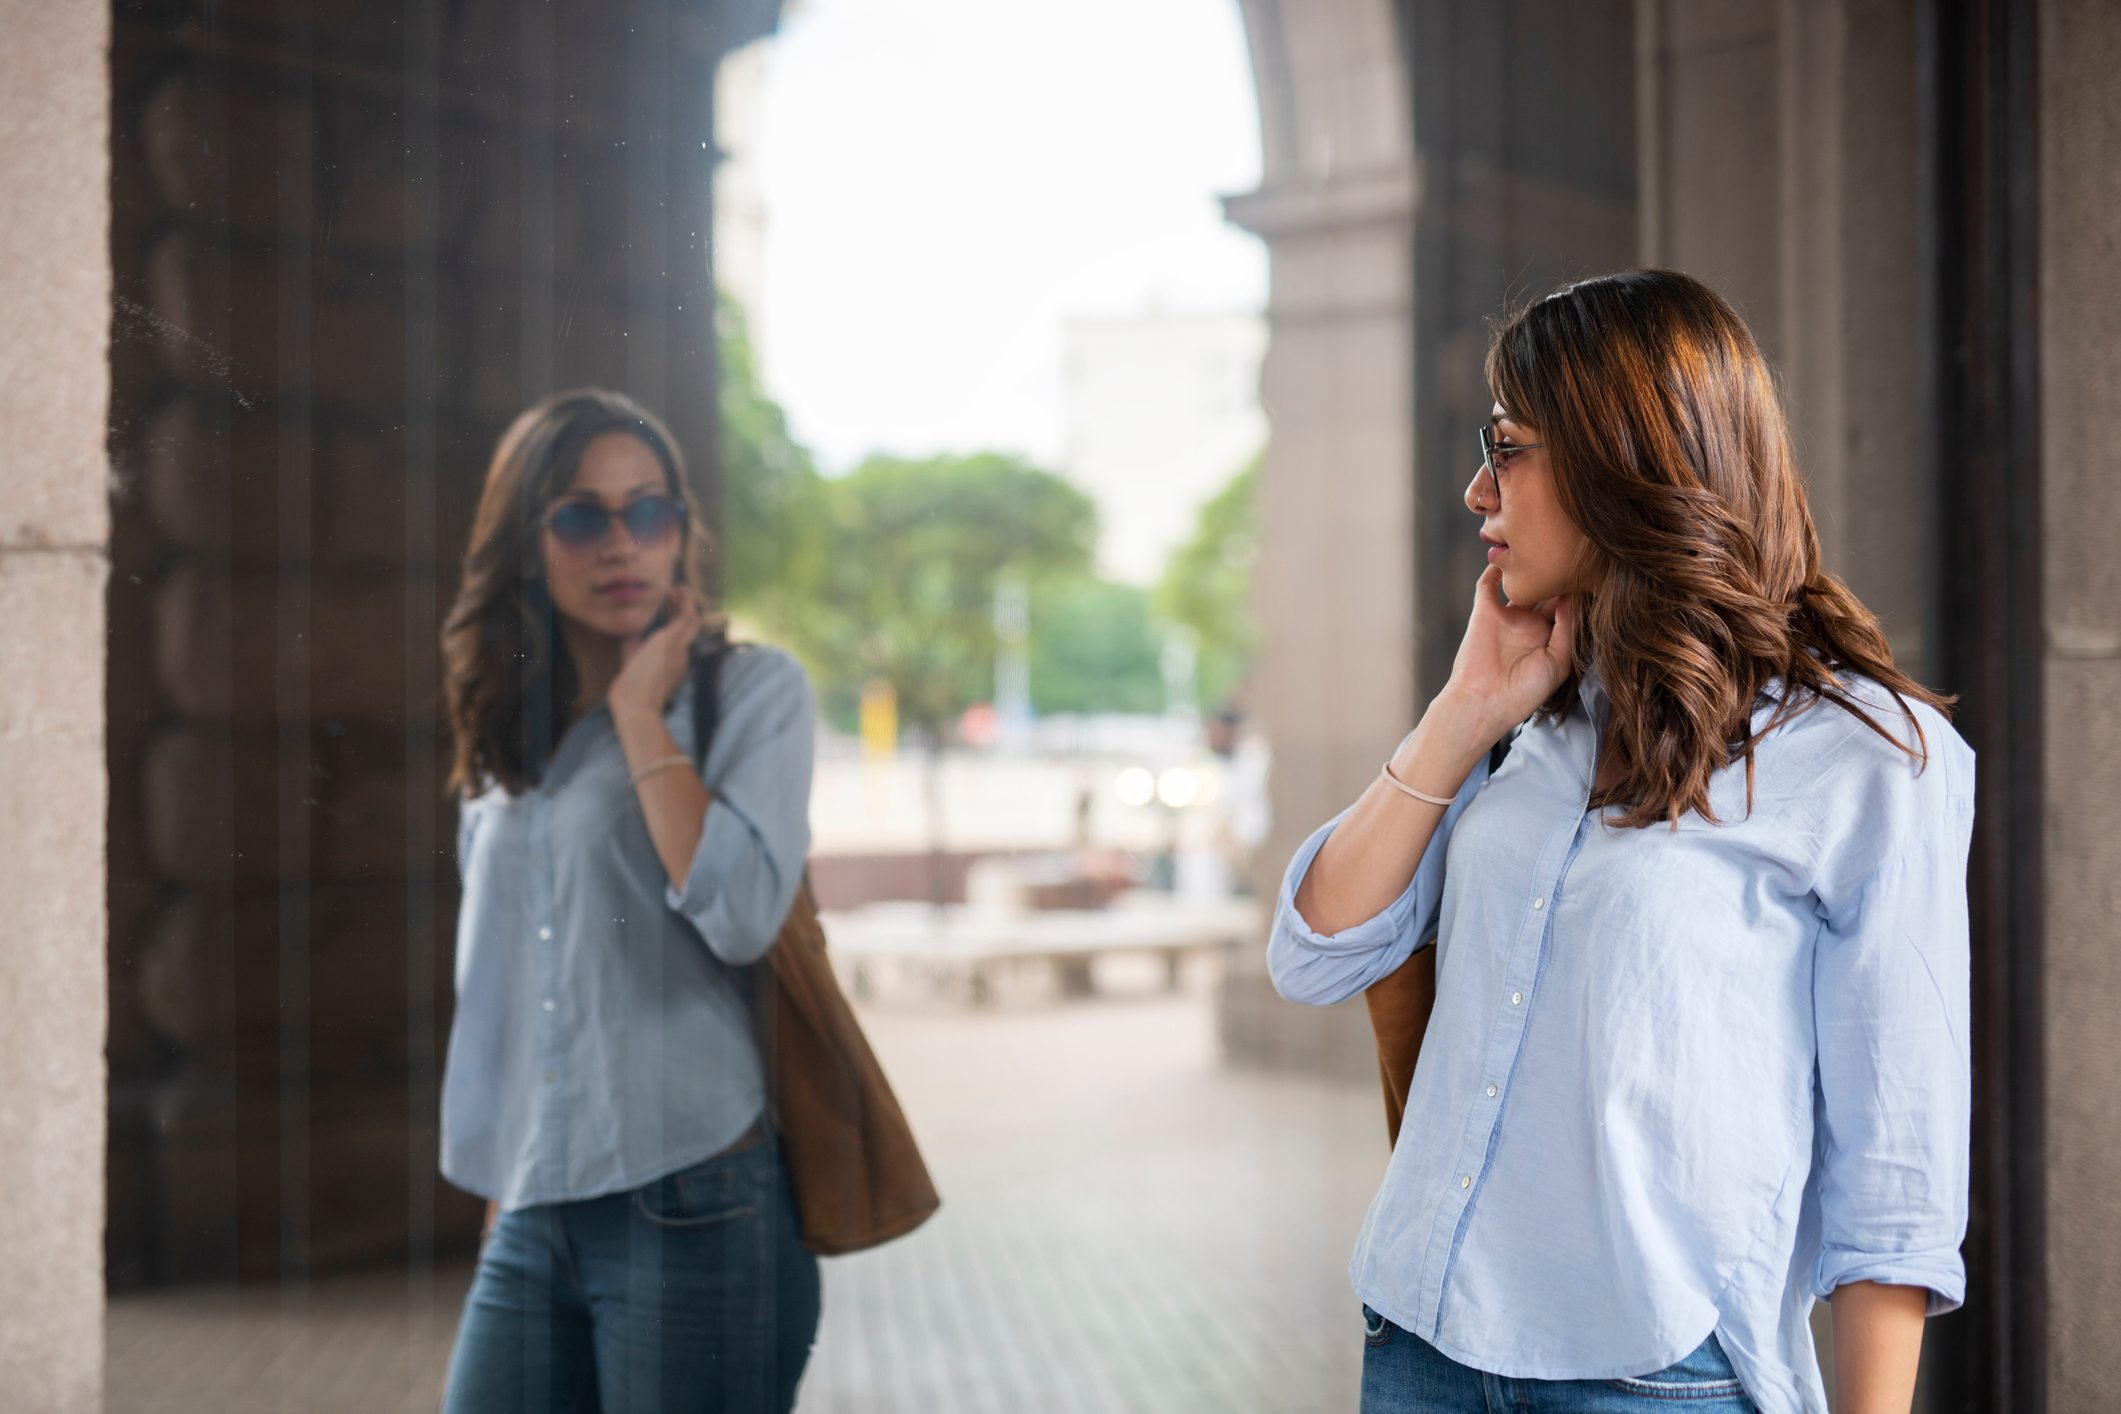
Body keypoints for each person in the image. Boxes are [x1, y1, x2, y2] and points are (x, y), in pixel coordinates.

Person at [1267, 270, 1971, 1414]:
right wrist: (1463, 711)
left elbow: (1897, 1163)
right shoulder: (1532, 722)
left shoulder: (1866, 755)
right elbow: (1314, 953)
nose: (1475, 488)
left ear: (1620, 459)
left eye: (1508, 446)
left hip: (1656, 1377)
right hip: (1420, 1346)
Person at [437, 388, 820, 1413]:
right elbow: (509, 993)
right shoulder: (504, 729)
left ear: (680, 530)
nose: (623, 544)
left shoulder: (750, 696)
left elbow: (739, 914)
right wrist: (504, 1197)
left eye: (649, 511)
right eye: (581, 515)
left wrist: (640, 714)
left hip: (692, 1197)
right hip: (531, 1204)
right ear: (529, 537)